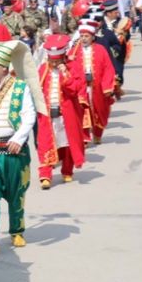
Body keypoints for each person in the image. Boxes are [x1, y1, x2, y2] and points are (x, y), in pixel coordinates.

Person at [0, 41, 43, 255]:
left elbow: (29, 116)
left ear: (4, 67)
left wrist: (18, 138)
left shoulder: (20, 87)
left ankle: (16, 230)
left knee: (16, 194)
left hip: (13, 149)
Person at [36, 35, 86, 189]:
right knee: (45, 143)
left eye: (57, 60)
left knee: (67, 142)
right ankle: (45, 174)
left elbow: (75, 89)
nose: (54, 63)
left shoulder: (73, 67)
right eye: (52, 60)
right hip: (47, 114)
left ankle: (67, 169)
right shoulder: (44, 69)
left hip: (67, 113)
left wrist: (65, 74)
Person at [69, 22, 117, 145]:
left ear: (92, 37)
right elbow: (69, 68)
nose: (84, 39)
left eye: (86, 36)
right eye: (82, 36)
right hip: (81, 88)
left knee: (99, 111)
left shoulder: (101, 50)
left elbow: (108, 69)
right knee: (82, 111)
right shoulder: (74, 51)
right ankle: (84, 137)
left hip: (97, 88)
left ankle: (97, 134)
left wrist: (107, 87)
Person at [94, 0, 129, 92]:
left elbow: (127, 36)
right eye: (115, 11)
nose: (117, 13)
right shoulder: (100, 22)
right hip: (103, 54)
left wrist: (123, 33)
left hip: (117, 55)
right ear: (108, 13)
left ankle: (115, 89)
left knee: (118, 75)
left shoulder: (120, 22)